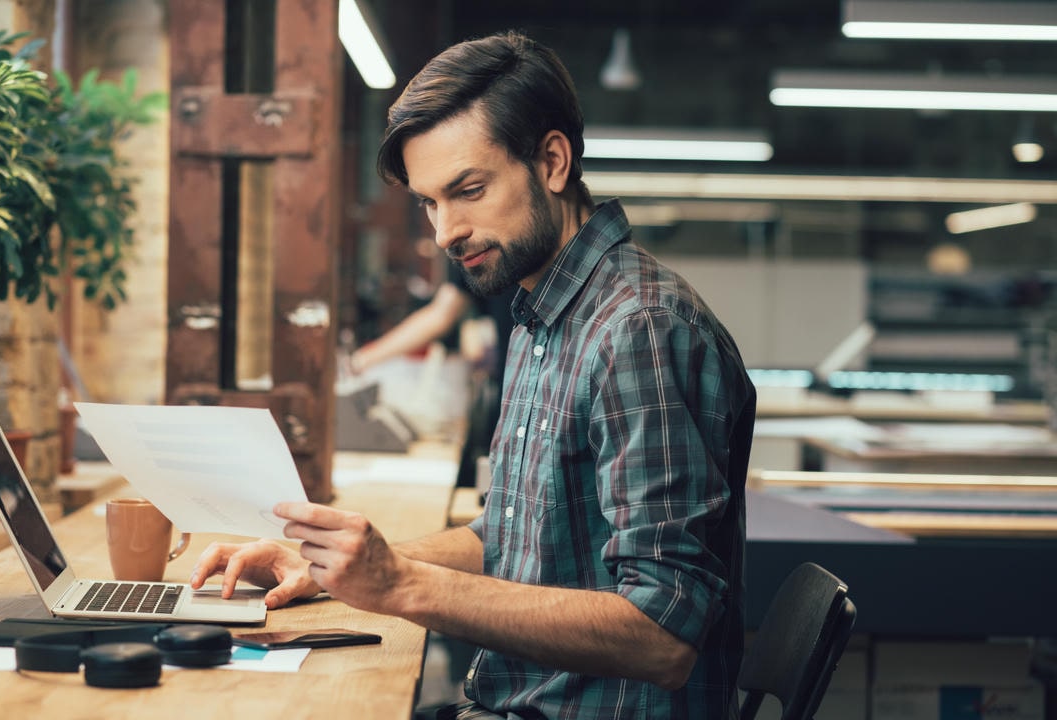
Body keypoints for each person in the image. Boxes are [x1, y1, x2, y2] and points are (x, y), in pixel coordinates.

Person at [192, 30, 756, 719]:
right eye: (430, 202)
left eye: (468, 190)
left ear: (551, 161)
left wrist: (403, 585)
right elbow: (507, 537)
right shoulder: (542, 313)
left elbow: (664, 635)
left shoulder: (638, 329)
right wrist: (331, 570)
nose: (444, 232)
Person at [347, 262, 514, 488]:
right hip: (510, 397)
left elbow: (443, 314)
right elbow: (442, 312)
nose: (445, 239)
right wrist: (364, 360)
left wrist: (362, 360)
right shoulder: (479, 252)